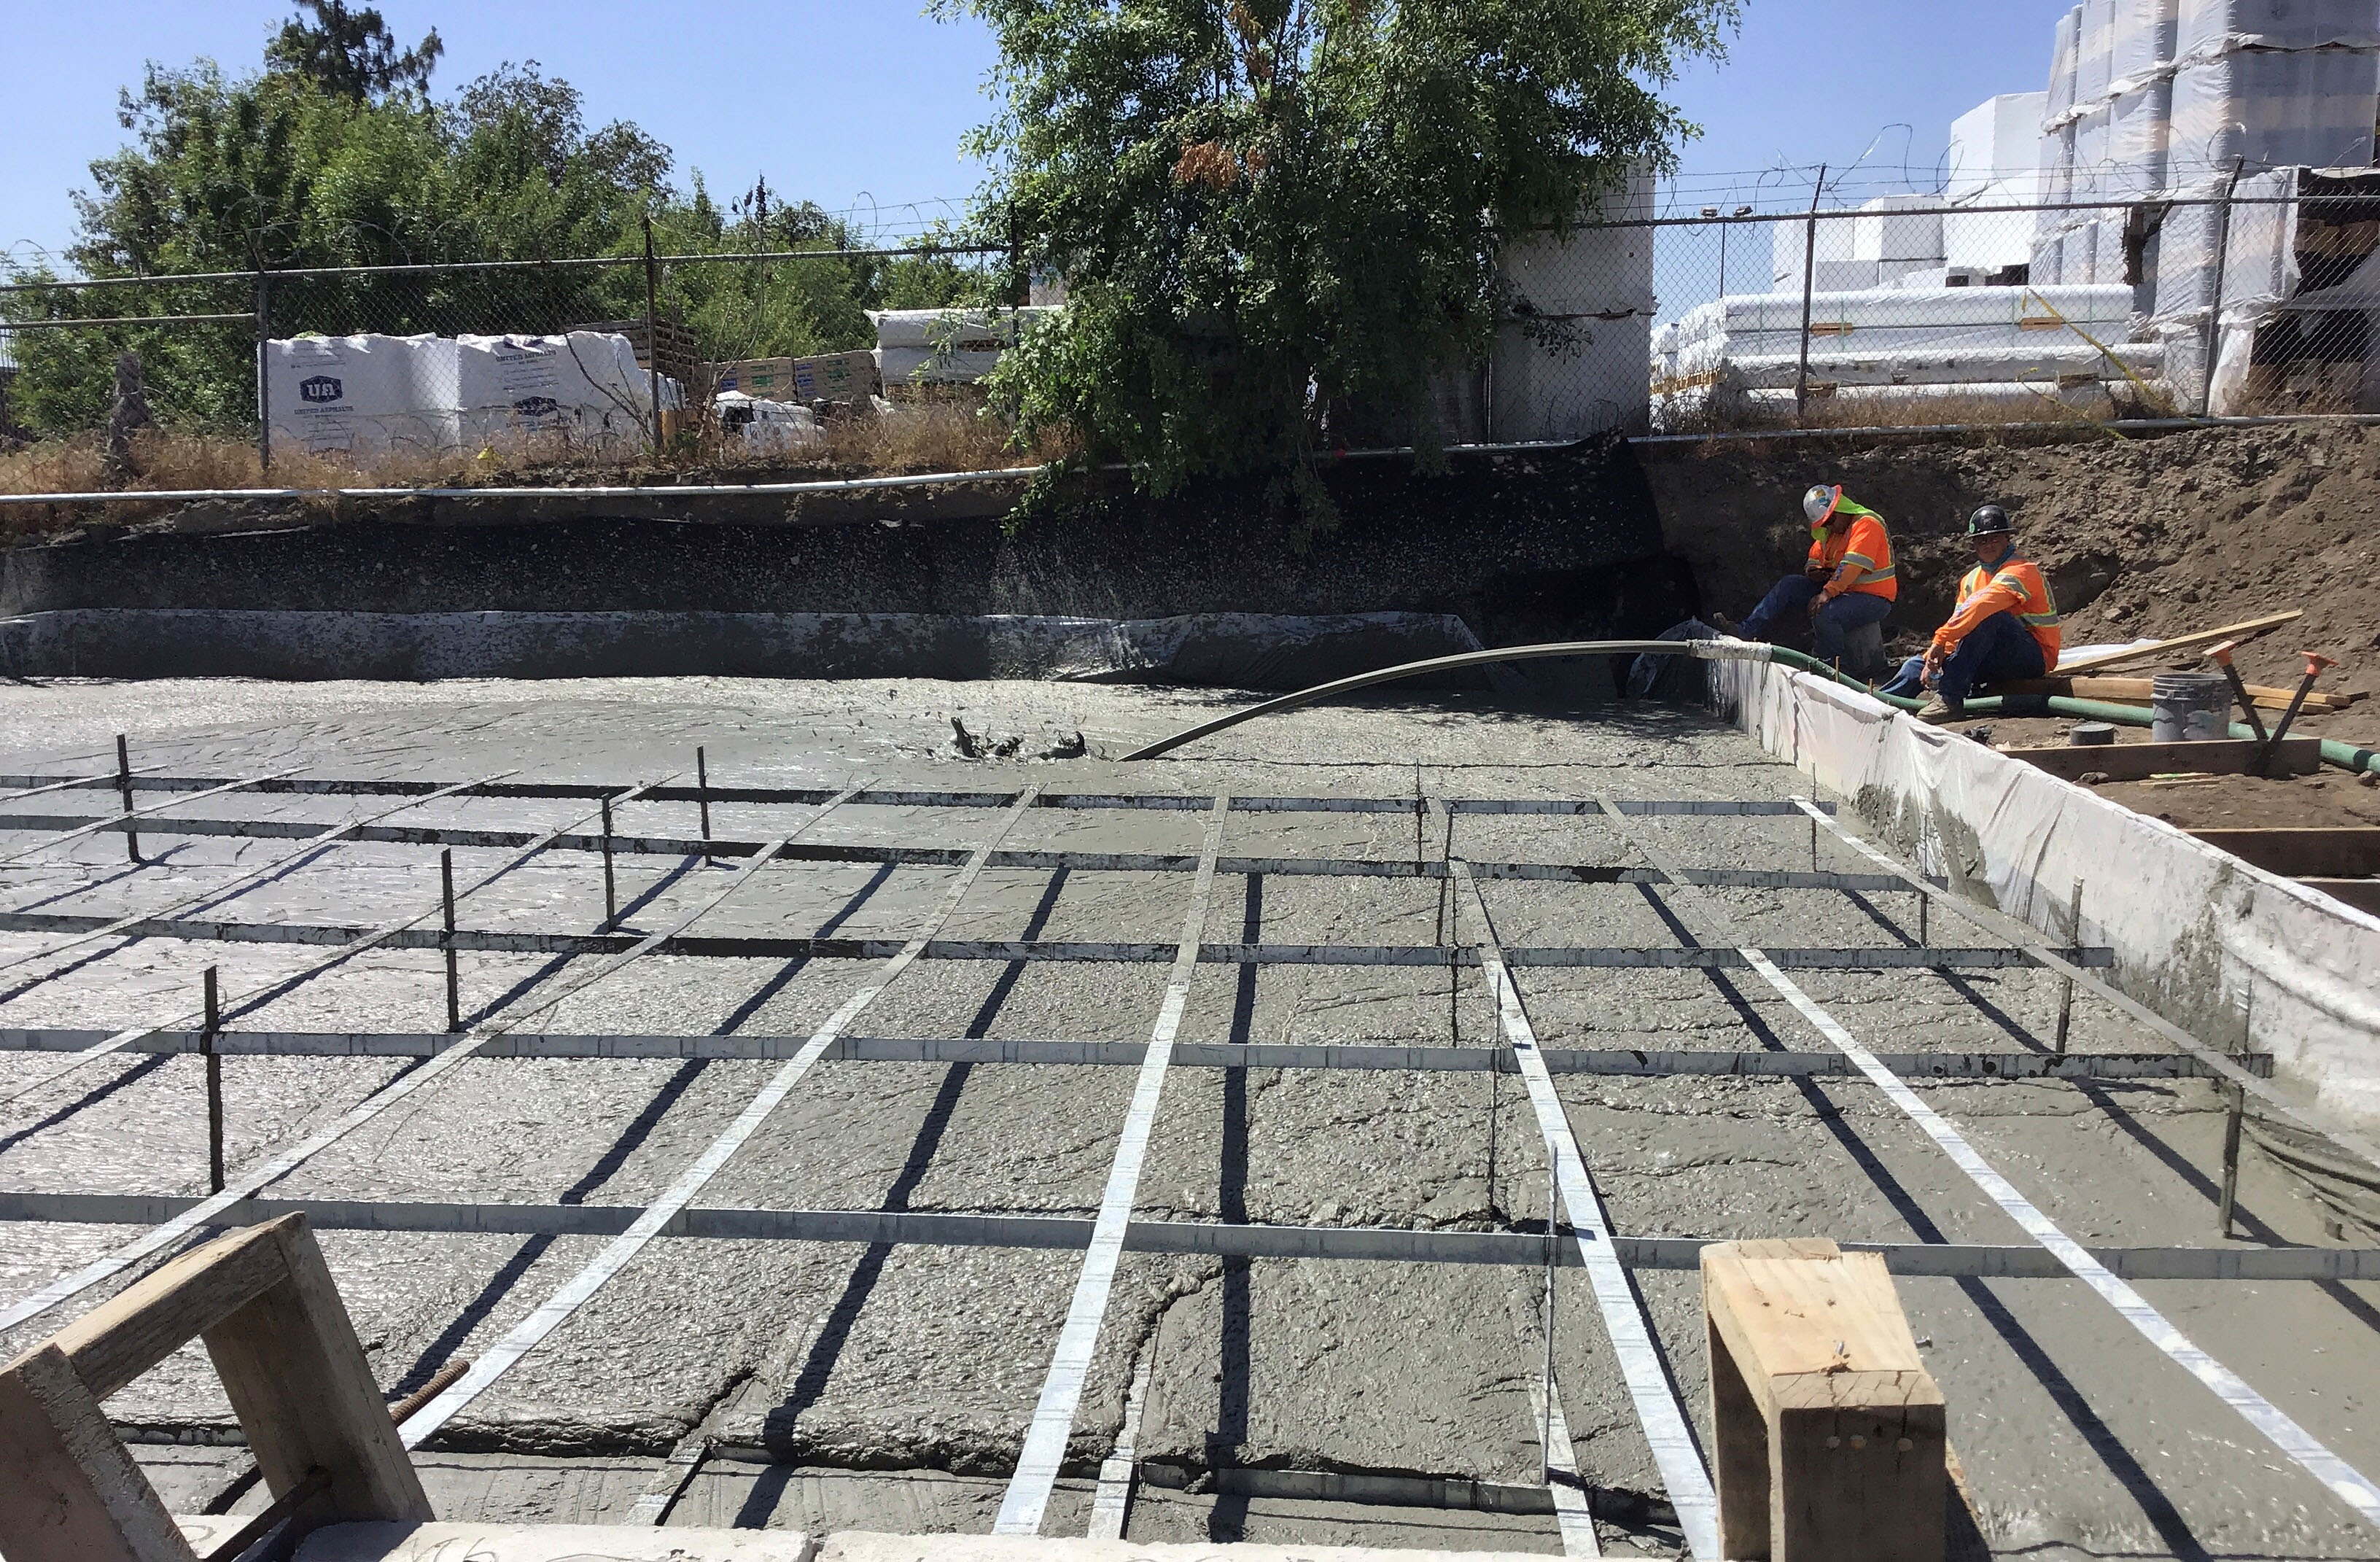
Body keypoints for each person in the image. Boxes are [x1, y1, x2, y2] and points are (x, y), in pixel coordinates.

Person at [1879, 503, 2062, 718]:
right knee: (1915, 666)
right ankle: (1877, 705)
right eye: (1982, 540)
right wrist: (1932, 659)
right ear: (1974, 544)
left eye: (1995, 538)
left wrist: (1940, 640)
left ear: (2007, 539)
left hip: (2031, 658)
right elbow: (1960, 622)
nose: (1988, 545)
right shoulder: (1971, 579)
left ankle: (1949, 699)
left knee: (1988, 617)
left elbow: (1982, 606)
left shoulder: (2022, 571)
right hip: (1989, 656)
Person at [1719, 484, 1897, 667]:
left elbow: (1852, 565)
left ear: (1840, 508)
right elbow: (1815, 556)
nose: (1829, 526)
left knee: (1826, 615)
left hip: (1873, 598)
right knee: (1789, 585)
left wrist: (1826, 593)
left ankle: (1836, 668)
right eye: (1825, 523)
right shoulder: (1832, 532)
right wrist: (1813, 571)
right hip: (1842, 591)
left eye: (1830, 520)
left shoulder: (1867, 524)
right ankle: (1745, 631)